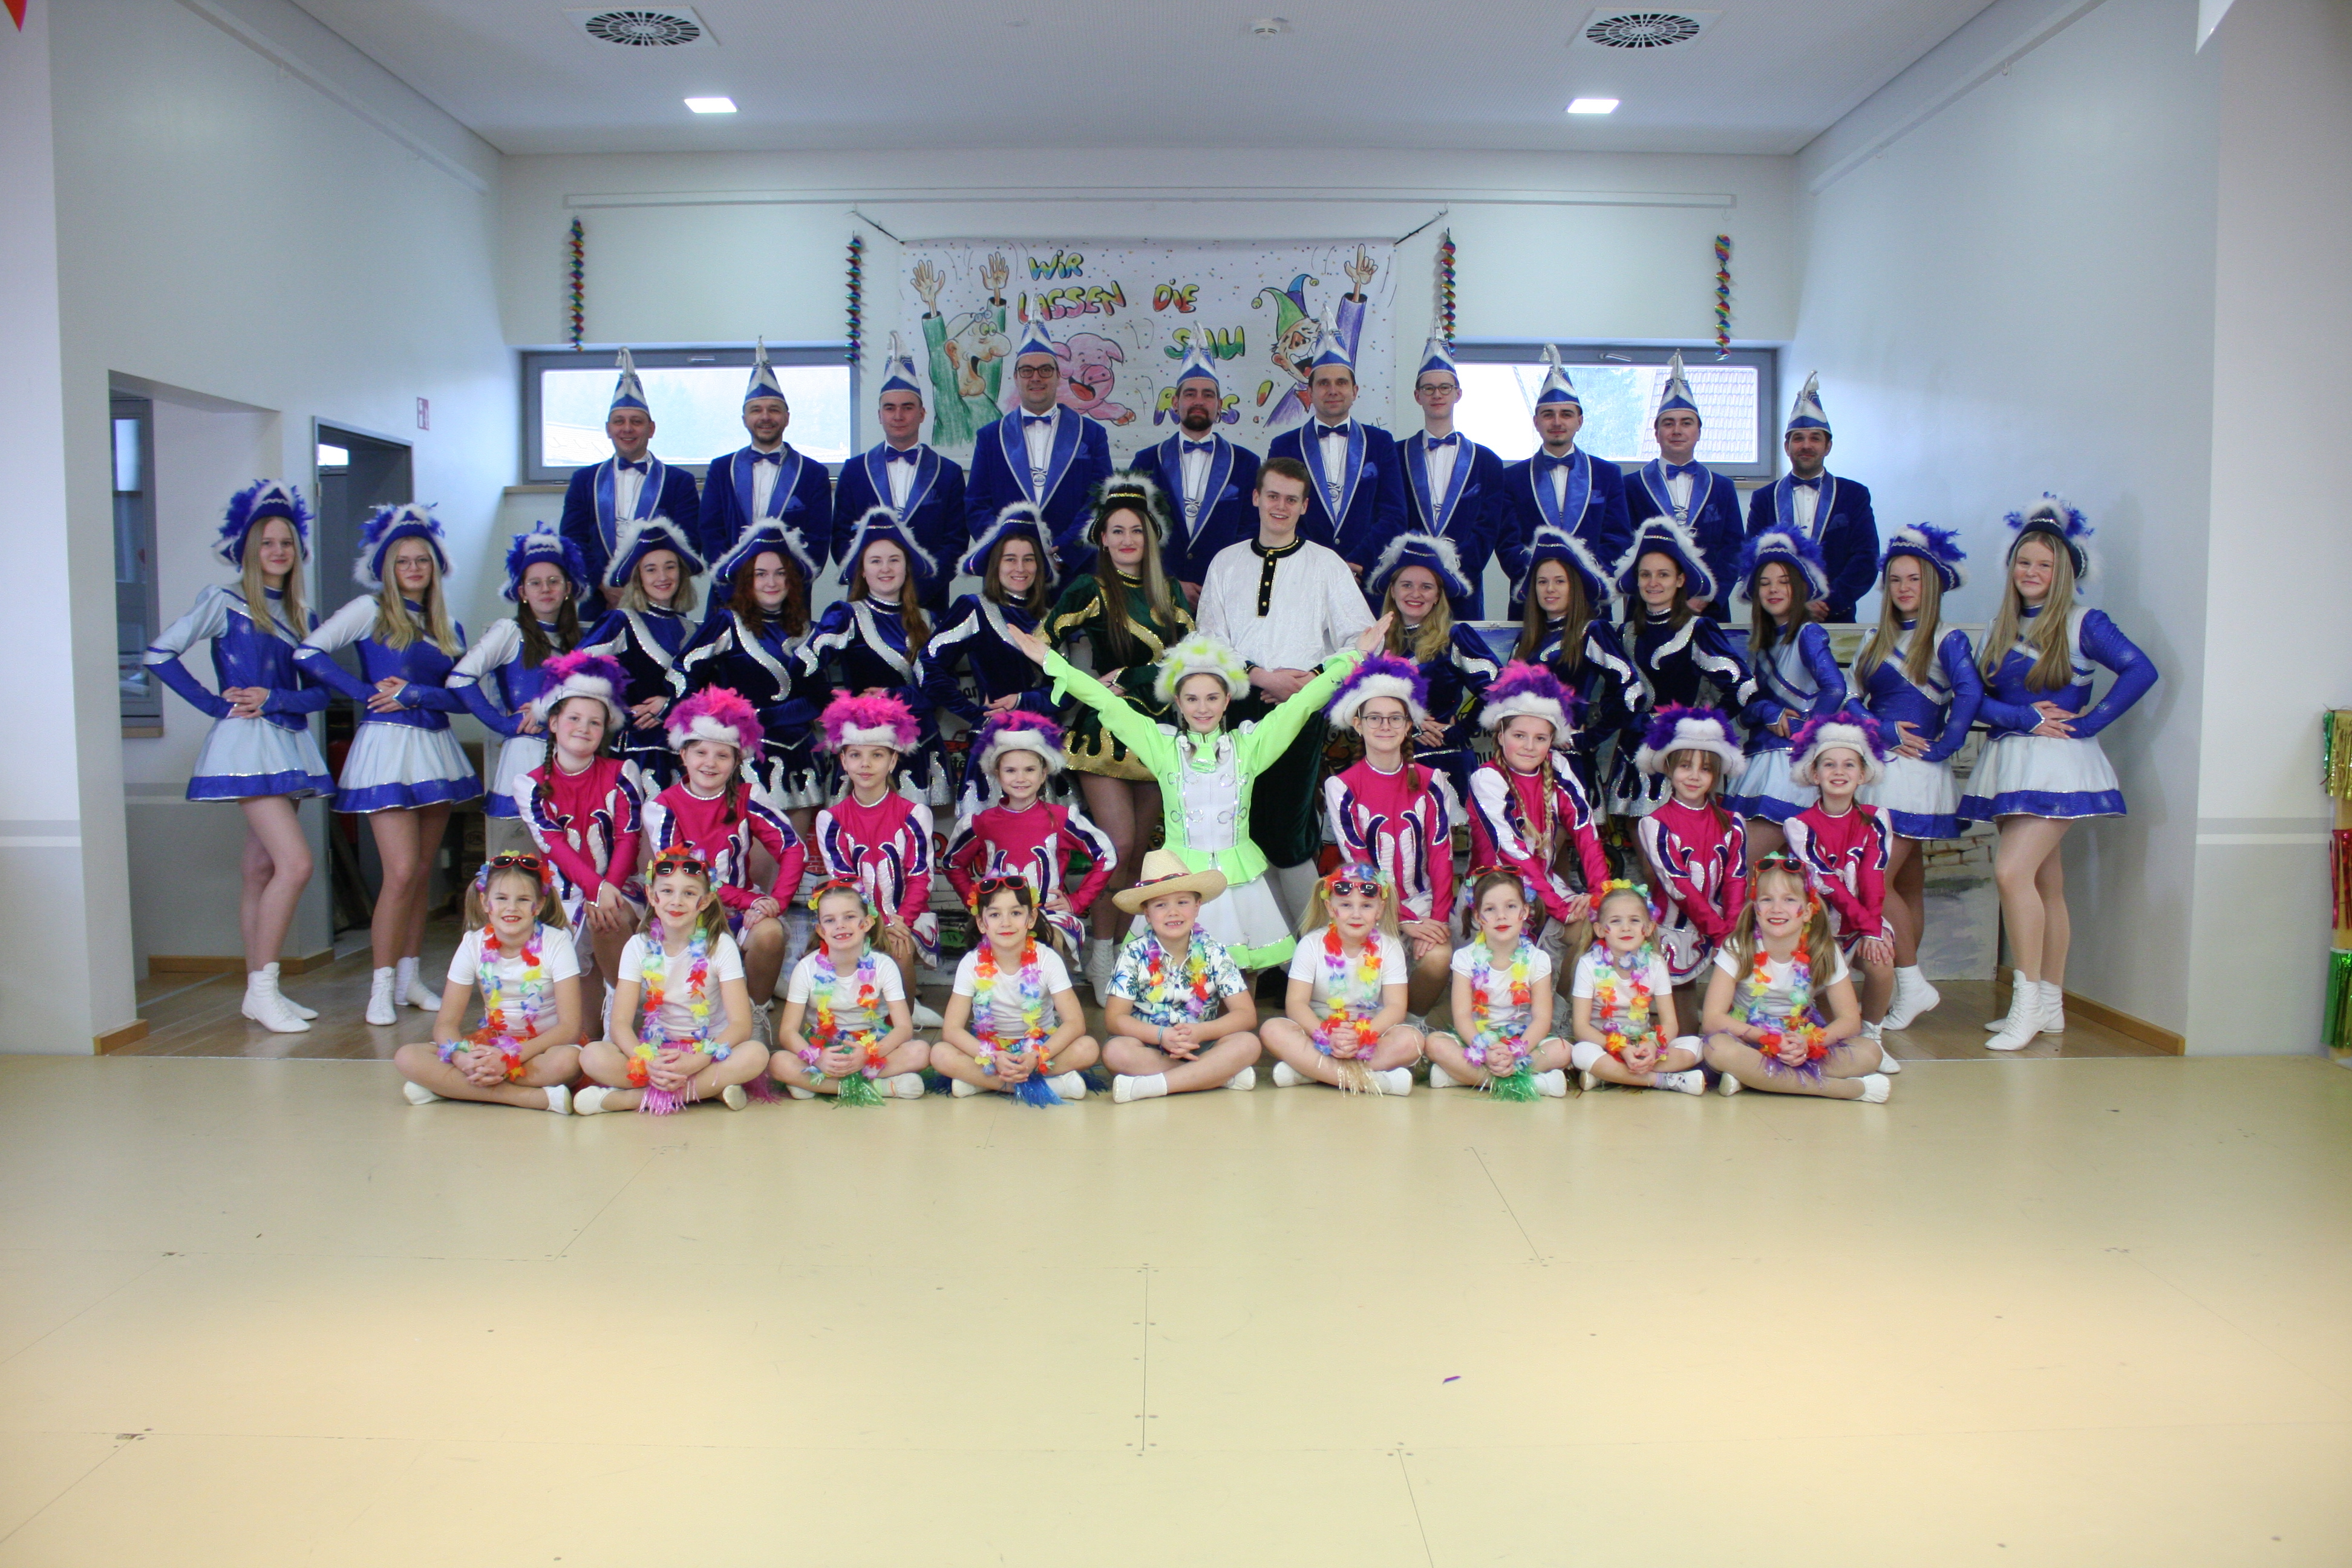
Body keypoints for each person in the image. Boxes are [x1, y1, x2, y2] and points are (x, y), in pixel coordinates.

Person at [1005, 615, 1385, 970]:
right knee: (1180, 973)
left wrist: (1354, 656)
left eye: (1212, 698)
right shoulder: (1161, 746)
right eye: (1192, 699)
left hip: (1240, 881)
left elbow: (1302, 704)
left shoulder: (1250, 746)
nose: (1202, 708)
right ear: (1178, 703)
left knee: (1245, 970)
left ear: (1227, 701)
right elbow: (1104, 700)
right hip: (1179, 881)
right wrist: (1051, 661)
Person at [1959, 495, 2157, 1051]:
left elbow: (2141, 670)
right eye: (2024, 562)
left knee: (2011, 873)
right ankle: (2051, 1003)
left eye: (2044, 564)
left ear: (2064, 571)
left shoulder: (2083, 623)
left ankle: (2025, 1004)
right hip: (2009, 762)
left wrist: (2090, 723)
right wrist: (2022, 717)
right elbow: (1973, 701)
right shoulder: (1997, 629)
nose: (2032, 572)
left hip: (2060, 766)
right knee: (2046, 883)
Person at [144, 480, 335, 1034]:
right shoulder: (224, 601)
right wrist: (214, 704)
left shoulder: (303, 614)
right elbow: (159, 653)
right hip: (247, 746)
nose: (278, 551)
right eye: (267, 542)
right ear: (249, 548)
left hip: (288, 743)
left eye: (286, 543)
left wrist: (275, 698)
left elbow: (321, 694)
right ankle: (264, 989)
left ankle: (259, 991)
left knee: (260, 868)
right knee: (295, 864)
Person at [296, 504, 480, 1027]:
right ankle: (379, 986)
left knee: (421, 874)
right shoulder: (369, 610)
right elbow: (308, 654)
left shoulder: (448, 626)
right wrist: (364, 694)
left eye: (422, 560)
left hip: (434, 749)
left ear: (435, 567)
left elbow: (460, 697)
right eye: (404, 561)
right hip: (386, 750)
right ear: (387, 568)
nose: (414, 568)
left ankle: (408, 979)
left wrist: (415, 694)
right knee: (399, 872)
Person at [1196, 456, 1377, 918]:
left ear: (1304, 506)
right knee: (1244, 830)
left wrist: (1313, 679)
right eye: (1273, 496)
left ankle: (1315, 942)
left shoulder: (1326, 565)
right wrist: (1261, 676)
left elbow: (1361, 639)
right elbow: (1209, 640)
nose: (1281, 506)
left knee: (1289, 833)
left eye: (1291, 500)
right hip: (1237, 708)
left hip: (1301, 710)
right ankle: (1269, 944)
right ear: (1256, 497)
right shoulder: (1226, 562)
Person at [1042, 474, 1195, 996]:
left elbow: (1190, 659)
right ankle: (1101, 952)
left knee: (1140, 856)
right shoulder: (1089, 589)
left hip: (1157, 734)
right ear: (1102, 539)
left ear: (1149, 538)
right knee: (1118, 845)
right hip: (1105, 734)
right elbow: (1044, 645)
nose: (1128, 540)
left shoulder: (1168, 591)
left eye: (1136, 531)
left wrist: (1132, 675)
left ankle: (1125, 955)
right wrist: (1081, 690)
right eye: (1117, 531)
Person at [1847, 524, 1981, 1031]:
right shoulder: (1874, 638)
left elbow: (1970, 693)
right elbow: (1850, 698)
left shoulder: (1947, 639)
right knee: (1906, 881)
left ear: (1933, 585)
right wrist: (1881, 729)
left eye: (1914, 579)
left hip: (1917, 775)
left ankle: (1910, 981)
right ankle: (1908, 990)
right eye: (1896, 580)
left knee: (1877, 881)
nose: (1904, 588)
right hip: (1879, 768)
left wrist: (1946, 745)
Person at [639, 687, 805, 1029]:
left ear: (737, 761)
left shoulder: (749, 796)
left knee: (770, 933)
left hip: (739, 915)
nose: (710, 763)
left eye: (722, 755)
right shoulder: (663, 806)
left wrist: (775, 903)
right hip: (683, 912)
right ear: (683, 755)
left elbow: (793, 848)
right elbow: (684, 874)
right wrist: (750, 900)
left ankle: (755, 1015)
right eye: (700, 752)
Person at [1321, 652, 1462, 1015]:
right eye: (1375, 718)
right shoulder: (1342, 786)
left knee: (1438, 957)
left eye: (1395, 718)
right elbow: (1361, 864)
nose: (1385, 726)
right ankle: (1375, 1024)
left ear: (1409, 724)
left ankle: (1410, 1025)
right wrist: (1404, 921)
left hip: (1424, 901)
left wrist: (1436, 921)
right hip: (1366, 902)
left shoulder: (1432, 781)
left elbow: (1442, 855)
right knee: (1367, 969)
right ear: (1358, 723)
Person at [576, 849, 768, 1114]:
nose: (676, 901)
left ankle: (632, 1100)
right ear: (651, 895)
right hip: (658, 1053)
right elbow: (619, 1022)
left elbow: (741, 1025)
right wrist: (648, 1061)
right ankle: (707, 1091)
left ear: (705, 901)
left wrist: (696, 1062)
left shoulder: (720, 945)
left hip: (708, 1052)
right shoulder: (638, 946)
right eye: (667, 891)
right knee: (592, 1055)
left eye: (689, 893)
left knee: (756, 1054)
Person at [393, 853, 582, 1114]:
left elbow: (570, 1028)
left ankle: (450, 1088)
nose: (511, 908)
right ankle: (528, 1097)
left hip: (543, 1048)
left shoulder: (556, 942)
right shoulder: (473, 944)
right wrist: (462, 1059)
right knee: (407, 1056)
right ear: (485, 902)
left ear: (538, 905)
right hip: (493, 1044)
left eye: (523, 899)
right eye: (501, 898)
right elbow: (446, 1023)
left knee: (569, 1062)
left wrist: (510, 1058)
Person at [677, 518, 825, 841]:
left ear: (791, 580)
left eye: (780, 573)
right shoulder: (727, 623)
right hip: (745, 759)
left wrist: (762, 717)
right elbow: (683, 673)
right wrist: (713, 721)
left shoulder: (808, 630)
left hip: (799, 758)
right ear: (747, 580)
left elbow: (820, 699)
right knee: (743, 858)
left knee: (792, 855)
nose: (771, 582)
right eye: (760, 574)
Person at [1700, 851, 1890, 1102]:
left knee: (1870, 1052)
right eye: (1767, 900)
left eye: (1789, 900)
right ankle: (1842, 1089)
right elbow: (1712, 1019)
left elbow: (1850, 1021)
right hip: (1749, 1040)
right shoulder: (1738, 947)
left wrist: (1807, 1042)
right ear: (1756, 909)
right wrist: (1767, 1039)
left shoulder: (1824, 950)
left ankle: (1752, 1079)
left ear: (1809, 911)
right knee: (1717, 1048)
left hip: (1801, 1041)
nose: (1777, 909)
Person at [451, 522, 589, 858]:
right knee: (521, 862)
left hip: (574, 757)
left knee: (571, 860)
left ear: (568, 588)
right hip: (527, 755)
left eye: (554, 581)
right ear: (522, 592)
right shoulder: (509, 631)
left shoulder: (582, 640)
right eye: (535, 583)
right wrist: (504, 724)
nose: (546, 589)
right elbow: (460, 678)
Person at [1466, 661, 1613, 970]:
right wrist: (1559, 907)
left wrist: (1601, 894)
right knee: (1509, 972)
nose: (1530, 747)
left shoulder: (1558, 767)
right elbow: (1512, 852)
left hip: (1544, 884)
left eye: (1541, 738)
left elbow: (1585, 831)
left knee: (1599, 927)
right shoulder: (1487, 778)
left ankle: (1563, 1000)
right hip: (1494, 891)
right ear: (1500, 735)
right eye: (1519, 736)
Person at [916, 502, 1062, 809]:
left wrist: (1021, 701)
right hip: (994, 747)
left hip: (1043, 749)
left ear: (1040, 566)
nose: (1020, 568)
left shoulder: (1052, 618)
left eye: (1029, 559)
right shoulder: (974, 608)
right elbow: (927, 664)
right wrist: (973, 713)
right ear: (995, 565)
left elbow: (1066, 691)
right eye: (1010, 559)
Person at [519, 651, 642, 1007]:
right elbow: (554, 845)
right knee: (581, 1031)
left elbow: (628, 838)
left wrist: (607, 890)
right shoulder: (529, 785)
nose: (584, 729)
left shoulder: (622, 773)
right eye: (574, 718)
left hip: (618, 891)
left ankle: (619, 1007)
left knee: (608, 917)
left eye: (594, 723)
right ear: (553, 722)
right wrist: (595, 889)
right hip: (560, 896)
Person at [942, 710, 1117, 961]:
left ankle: (1052, 984)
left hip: (1049, 915)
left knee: (1047, 950)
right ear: (997, 774)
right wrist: (975, 901)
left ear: (1043, 774)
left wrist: (1077, 901)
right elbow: (952, 863)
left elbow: (1106, 856)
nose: (1021, 778)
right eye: (1011, 771)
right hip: (1000, 918)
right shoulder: (982, 822)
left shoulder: (1063, 818)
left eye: (1030, 770)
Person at [799, 509, 944, 803]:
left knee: (914, 827)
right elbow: (803, 666)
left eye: (894, 560)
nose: (885, 568)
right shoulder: (846, 615)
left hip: (918, 743)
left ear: (907, 568)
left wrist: (894, 696)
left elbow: (939, 690)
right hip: (864, 747)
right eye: (875, 561)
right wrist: (842, 705)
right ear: (862, 571)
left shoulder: (929, 620)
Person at [811, 690, 942, 1014]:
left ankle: (904, 1020)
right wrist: (873, 922)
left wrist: (900, 920)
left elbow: (921, 877)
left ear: (893, 760)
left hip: (905, 917)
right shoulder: (831, 819)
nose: (865, 764)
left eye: (877, 755)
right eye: (855, 755)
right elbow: (844, 883)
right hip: (854, 917)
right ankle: (860, 1014)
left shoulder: (914, 814)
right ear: (843, 761)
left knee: (898, 946)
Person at [1614, 516, 1752, 815]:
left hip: (1681, 757)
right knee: (1639, 836)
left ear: (1680, 580)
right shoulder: (1625, 633)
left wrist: (1699, 728)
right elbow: (1615, 695)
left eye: (1663, 575)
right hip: (1632, 751)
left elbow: (1743, 687)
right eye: (1645, 575)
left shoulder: (1698, 629)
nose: (1653, 583)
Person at [1723, 529, 1847, 860]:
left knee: (1740, 864)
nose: (1773, 589)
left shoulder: (1808, 633)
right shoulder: (1758, 644)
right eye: (1765, 583)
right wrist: (1768, 711)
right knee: (1767, 873)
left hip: (1790, 763)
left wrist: (1806, 732)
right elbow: (1745, 709)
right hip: (1760, 757)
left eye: (1784, 581)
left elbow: (1836, 688)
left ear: (1800, 587)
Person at [1783, 716, 1899, 1066]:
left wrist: (1872, 930)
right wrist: (1868, 926)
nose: (1839, 771)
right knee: (1814, 990)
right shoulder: (1799, 826)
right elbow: (1829, 885)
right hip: (1815, 928)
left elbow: (1873, 877)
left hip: (1858, 923)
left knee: (1881, 961)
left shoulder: (1877, 819)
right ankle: (1817, 1038)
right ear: (1814, 774)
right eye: (1829, 764)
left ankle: (1872, 1038)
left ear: (1863, 775)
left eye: (1849, 764)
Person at [1101, 850, 1263, 1102]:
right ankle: (1214, 1076)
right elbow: (1114, 1019)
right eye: (1161, 905)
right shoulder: (1134, 953)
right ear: (1147, 913)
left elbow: (1246, 1015)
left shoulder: (1214, 952)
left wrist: (1201, 1032)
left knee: (1247, 1044)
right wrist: (1161, 1036)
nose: (1173, 912)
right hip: (1150, 1045)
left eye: (1183, 902)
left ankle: (1154, 1085)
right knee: (1115, 1052)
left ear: (1197, 907)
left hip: (1202, 1044)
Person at [832, 333, 967, 618]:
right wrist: (875, 586)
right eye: (890, 408)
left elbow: (955, 543)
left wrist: (918, 588)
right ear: (879, 415)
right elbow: (842, 538)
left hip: (929, 600)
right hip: (867, 600)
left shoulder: (949, 473)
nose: (898, 416)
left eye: (907, 407)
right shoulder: (855, 471)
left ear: (922, 414)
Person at [965, 316, 1114, 572]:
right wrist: (1009, 553)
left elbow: (1100, 500)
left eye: (1045, 370)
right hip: (1009, 572)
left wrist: (1066, 553)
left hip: (1074, 572)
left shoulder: (1092, 434)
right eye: (1027, 371)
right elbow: (977, 504)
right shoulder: (990, 437)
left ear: (1059, 376)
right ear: (1016, 377)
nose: (1036, 378)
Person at [932, 877, 1100, 1103]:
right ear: (981, 923)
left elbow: (1075, 1023)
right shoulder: (971, 963)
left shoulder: (1047, 959)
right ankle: (1050, 1086)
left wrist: (1036, 1057)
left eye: (1016, 913)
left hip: (1039, 1047)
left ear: (1031, 919)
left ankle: (982, 1083)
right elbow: (952, 1030)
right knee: (940, 1053)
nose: (1006, 923)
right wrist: (993, 1057)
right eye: (995, 915)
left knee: (1088, 1048)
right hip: (992, 1049)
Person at [1362, 532, 1499, 808]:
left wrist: (1462, 730)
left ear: (1438, 596)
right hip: (1388, 761)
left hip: (1444, 761)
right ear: (1393, 591)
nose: (1416, 594)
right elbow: (1359, 702)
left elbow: (1499, 686)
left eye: (1426, 587)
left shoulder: (1455, 636)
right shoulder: (1374, 641)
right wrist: (1410, 726)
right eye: (1407, 585)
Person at [1260, 864, 1424, 1095]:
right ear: (1330, 908)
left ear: (1380, 910)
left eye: (1366, 906)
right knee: (1273, 1030)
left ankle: (1312, 1072)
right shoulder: (1311, 944)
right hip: (1319, 1032)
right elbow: (1296, 1003)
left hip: (1370, 1034)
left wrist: (1359, 1037)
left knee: (1412, 1041)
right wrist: (1327, 1036)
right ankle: (1375, 1082)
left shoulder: (1389, 947)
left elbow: (1396, 1007)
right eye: (1346, 905)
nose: (1356, 914)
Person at [558, 348, 701, 603]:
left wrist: (646, 585)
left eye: (636, 421)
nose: (627, 429)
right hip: (600, 601)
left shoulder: (679, 482)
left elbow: (689, 541)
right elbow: (572, 540)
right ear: (608, 429)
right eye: (619, 421)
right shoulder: (584, 480)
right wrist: (603, 584)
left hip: (661, 598)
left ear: (651, 429)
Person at [1263, 315, 1405, 567]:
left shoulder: (1380, 443)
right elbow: (1279, 512)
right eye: (1323, 383)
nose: (1333, 390)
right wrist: (1323, 564)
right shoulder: (1284, 446)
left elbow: (1394, 515)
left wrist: (1359, 561)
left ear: (1355, 391)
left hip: (1365, 572)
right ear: (1310, 392)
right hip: (1305, 570)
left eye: (1341, 382)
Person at [1511, 525, 1638, 804]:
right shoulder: (1526, 639)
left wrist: (1590, 737)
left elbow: (1631, 690)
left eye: (1560, 581)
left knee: (1565, 829)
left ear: (1575, 586)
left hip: (1569, 762)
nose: (1550, 589)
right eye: (1542, 582)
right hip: (1524, 762)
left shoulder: (1591, 632)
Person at [770, 879, 929, 1103]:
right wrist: (817, 1059)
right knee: (778, 1063)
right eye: (830, 920)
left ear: (867, 923)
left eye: (849, 917)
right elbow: (788, 1032)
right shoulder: (806, 968)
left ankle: (817, 1085)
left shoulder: (883, 965)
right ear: (821, 930)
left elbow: (904, 1028)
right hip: (825, 1049)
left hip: (871, 1045)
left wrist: (869, 1054)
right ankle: (881, 1087)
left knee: (920, 1052)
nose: (840, 926)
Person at [575, 516, 704, 791]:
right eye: (651, 569)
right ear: (638, 577)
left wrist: (671, 706)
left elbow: (709, 692)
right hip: (639, 752)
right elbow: (575, 671)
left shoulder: (693, 630)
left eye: (670, 567)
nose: (662, 577)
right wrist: (613, 712)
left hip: (690, 754)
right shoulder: (621, 621)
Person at [1630, 705, 1749, 999]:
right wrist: (1719, 932)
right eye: (1685, 766)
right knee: (1679, 998)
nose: (1695, 776)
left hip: (1726, 929)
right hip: (1674, 932)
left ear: (1716, 775)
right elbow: (1678, 886)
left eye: (1705, 769)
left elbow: (1736, 879)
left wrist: (1732, 928)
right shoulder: (1655, 824)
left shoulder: (1733, 823)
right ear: (1669, 768)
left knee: (1732, 999)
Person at [1125, 339, 1259, 601]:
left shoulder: (1246, 463)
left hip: (1225, 595)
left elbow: (1252, 531)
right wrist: (1169, 583)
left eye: (1208, 395)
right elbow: (1133, 529)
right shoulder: (1146, 461)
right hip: (1158, 597)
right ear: (1175, 403)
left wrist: (1217, 584)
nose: (1199, 401)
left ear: (1220, 405)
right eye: (1190, 394)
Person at [1425, 867, 1573, 1099]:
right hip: (1477, 1042)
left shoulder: (1538, 959)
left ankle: (1464, 1078)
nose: (1501, 916)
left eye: (1511, 906)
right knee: (1434, 1044)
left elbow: (1542, 1018)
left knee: (1564, 1050)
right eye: (1490, 909)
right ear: (1478, 917)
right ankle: (1533, 1083)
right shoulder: (1465, 958)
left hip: (1523, 1043)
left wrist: (1516, 1052)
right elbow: (1462, 1017)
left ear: (1525, 911)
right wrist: (1485, 1053)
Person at [1743, 374, 1879, 624]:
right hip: (1776, 622)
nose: (1806, 445)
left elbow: (1865, 559)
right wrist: (1791, 605)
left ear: (1828, 446)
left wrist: (1828, 603)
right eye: (1798, 438)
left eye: (1815, 438)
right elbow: (1753, 559)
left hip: (1836, 619)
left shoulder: (1855, 495)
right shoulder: (1764, 498)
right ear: (1787, 447)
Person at [1497, 346, 1633, 595]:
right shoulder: (1512, 478)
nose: (1557, 422)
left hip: (1591, 595)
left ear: (1580, 421)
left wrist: (1584, 578)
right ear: (1536, 422)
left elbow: (1618, 538)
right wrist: (1542, 580)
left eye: (1566, 415)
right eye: (1548, 415)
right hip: (1532, 598)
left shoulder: (1608, 475)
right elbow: (1507, 544)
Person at [1397, 336, 1511, 616]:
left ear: (1458, 393)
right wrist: (1414, 574)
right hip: (1409, 588)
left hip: (1463, 589)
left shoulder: (1487, 462)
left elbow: (1487, 531)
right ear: (1417, 396)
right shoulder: (1396, 456)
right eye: (1429, 388)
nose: (1437, 395)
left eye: (1445, 388)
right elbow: (1392, 519)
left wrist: (1452, 573)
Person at [1623, 352, 1742, 619]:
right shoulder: (1631, 485)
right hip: (1648, 605)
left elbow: (1734, 549)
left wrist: (1708, 596)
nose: (1677, 430)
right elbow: (1625, 546)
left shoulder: (1722, 487)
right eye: (1669, 424)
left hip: (1708, 609)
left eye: (1686, 423)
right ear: (1656, 433)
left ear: (1699, 432)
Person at [701, 339, 831, 570]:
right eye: (756, 410)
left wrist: (784, 582)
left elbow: (818, 541)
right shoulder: (721, 469)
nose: (765, 417)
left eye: (774, 410)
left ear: (787, 418)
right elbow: (710, 533)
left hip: (789, 588)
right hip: (730, 586)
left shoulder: (814, 473)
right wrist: (734, 579)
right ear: (744, 419)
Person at [1568, 881, 1705, 1095]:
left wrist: (1653, 1045)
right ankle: (1664, 1080)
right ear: (1600, 930)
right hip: (1603, 1044)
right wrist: (1620, 1048)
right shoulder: (1589, 964)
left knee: (1695, 1046)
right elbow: (1581, 1028)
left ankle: (1609, 1075)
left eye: (1634, 920)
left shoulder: (1656, 963)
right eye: (1616, 921)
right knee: (1581, 1052)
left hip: (1642, 1044)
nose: (1626, 928)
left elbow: (1670, 1024)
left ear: (1649, 928)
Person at [913, 252, 1011, 451]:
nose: (989, 345)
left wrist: (996, 293)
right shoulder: (951, 402)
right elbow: (939, 356)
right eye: (981, 339)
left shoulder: (984, 390)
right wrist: (932, 305)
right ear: (953, 350)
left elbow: (994, 362)